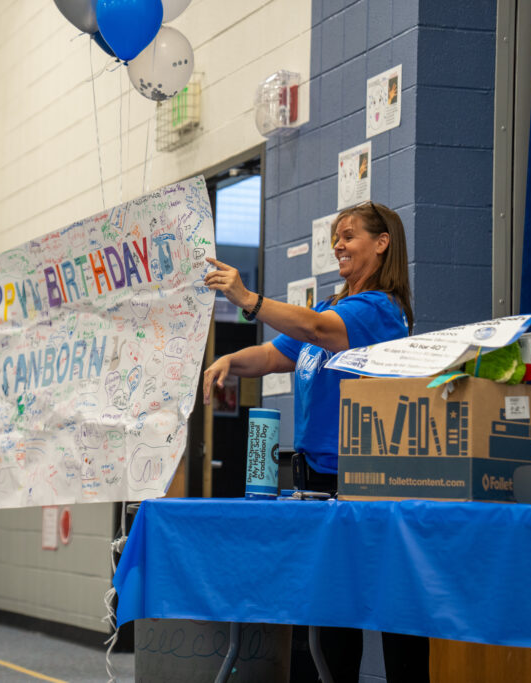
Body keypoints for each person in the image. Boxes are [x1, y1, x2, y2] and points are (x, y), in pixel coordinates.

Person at [202, 202, 428, 683]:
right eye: (335, 238)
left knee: (393, 618)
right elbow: (272, 353)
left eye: (348, 236)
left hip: (366, 484)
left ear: (382, 242)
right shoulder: (331, 307)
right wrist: (228, 362)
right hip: (318, 482)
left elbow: (316, 330)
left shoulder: (379, 311)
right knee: (331, 622)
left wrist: (249, 299)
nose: (338, 246)